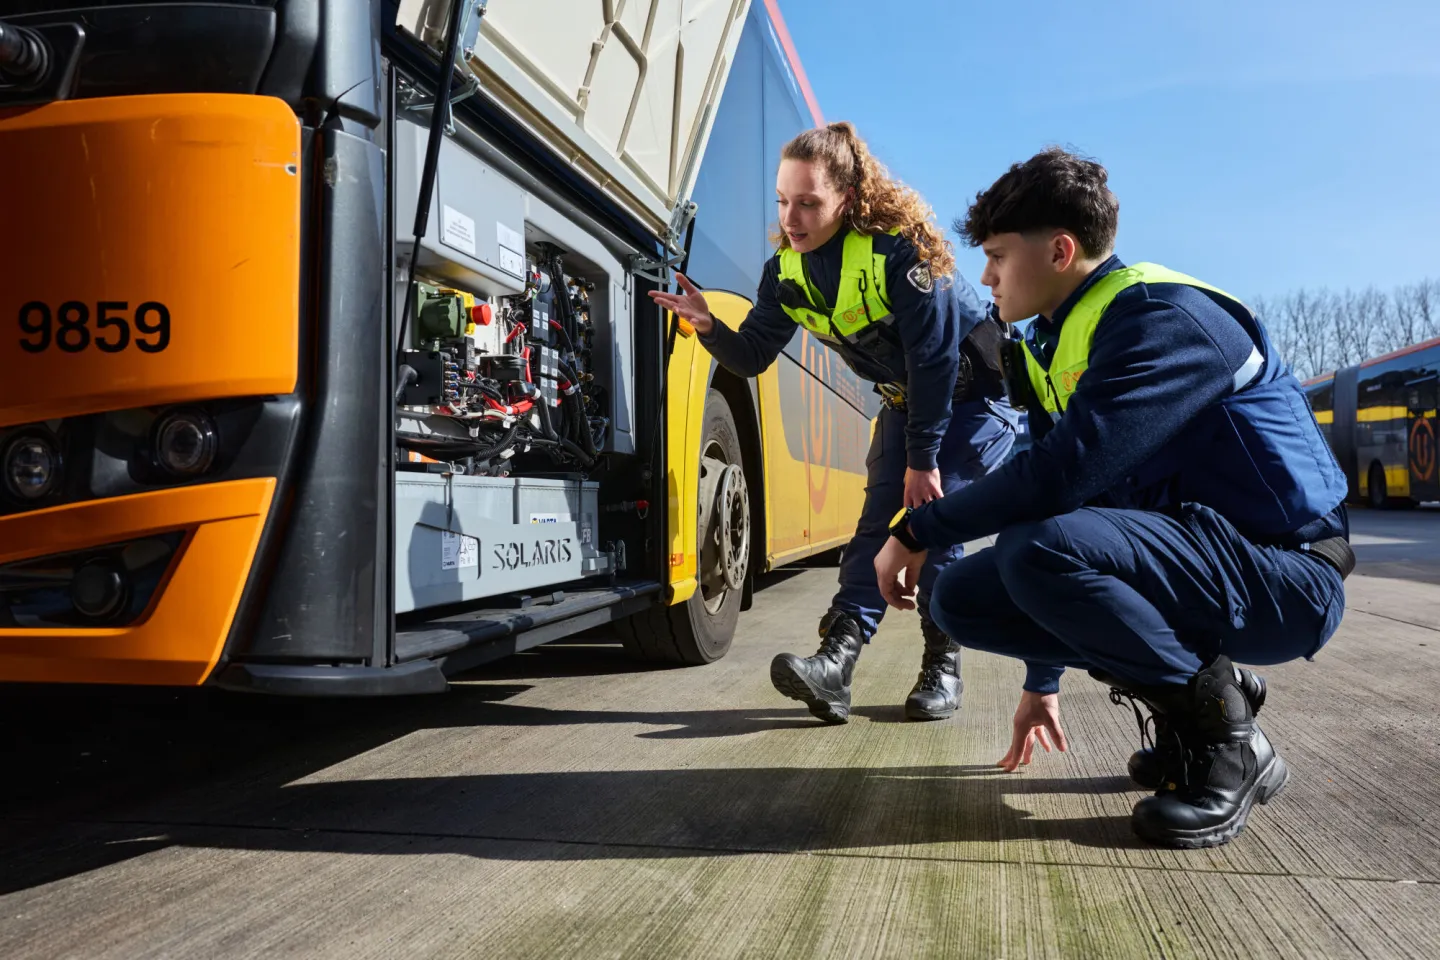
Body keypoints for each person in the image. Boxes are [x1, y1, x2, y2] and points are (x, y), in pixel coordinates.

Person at [875, 147, 1353, 849]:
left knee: (1038, 548)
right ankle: (1204, 697)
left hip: (1288, 573)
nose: (986, 276)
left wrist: (918, 527)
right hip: (1195, 561)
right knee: (963, 598)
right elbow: (1049, 501)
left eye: (1000, 255)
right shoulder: (1052, 342)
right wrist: (1043, 683)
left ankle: (1228, 742)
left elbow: (1058, 479)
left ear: (1061, 250)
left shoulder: (1163, 319)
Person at [650, 122, 1017, 724]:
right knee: (874, 525)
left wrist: (923, 462)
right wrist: (710, 328)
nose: (791, 218)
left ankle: (942, 666)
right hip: (909, 403)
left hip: (977, 403)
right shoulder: (785, 274)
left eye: (809, 203)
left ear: (846, 199)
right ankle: (835, 666)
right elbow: (753, 356)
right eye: (783, 201)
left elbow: (933, 359)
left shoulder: (899, 252)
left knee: (938, 525)